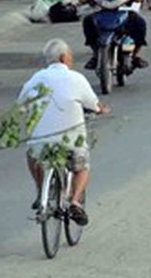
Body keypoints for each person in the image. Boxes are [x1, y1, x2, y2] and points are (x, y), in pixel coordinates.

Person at [18, 39, 110, 225]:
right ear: (63, 57)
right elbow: (93, 104)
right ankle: (75, 201)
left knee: (32, 154)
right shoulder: (76, 78)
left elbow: (21, 105)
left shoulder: (35, 79)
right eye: (69, 56)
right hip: (70, 140)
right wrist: (101, 110)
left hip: (41, 141)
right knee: (81, 168)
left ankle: (40, 190)